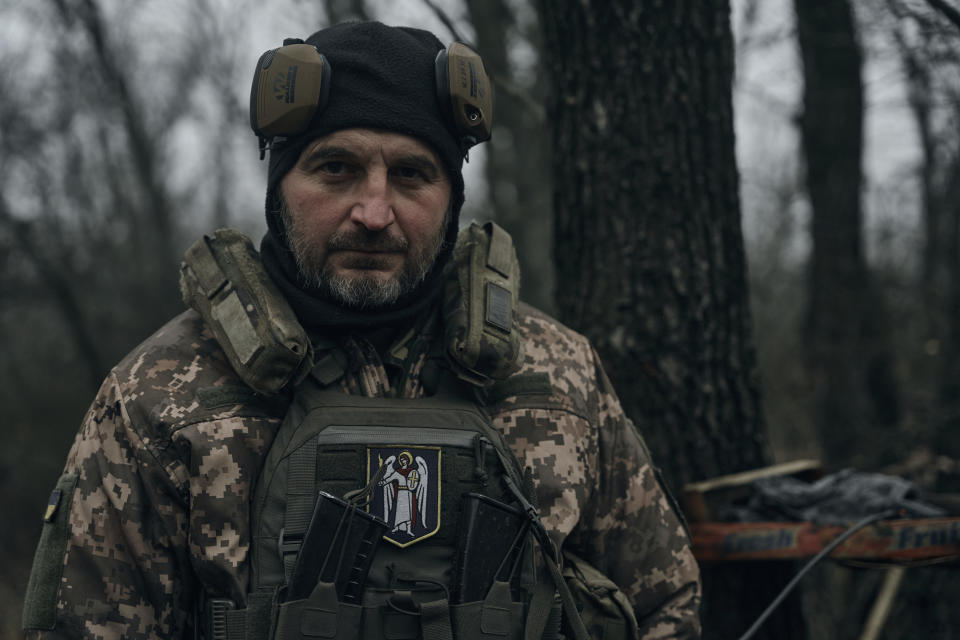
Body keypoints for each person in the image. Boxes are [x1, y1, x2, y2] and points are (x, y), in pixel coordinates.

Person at [22, 21, 701, 640]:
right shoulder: (162, 395)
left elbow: (664, 604)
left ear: (452, 197)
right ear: (282, 182)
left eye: (411, 174)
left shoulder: (557, 376)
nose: (374, 211)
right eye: (337, 168)